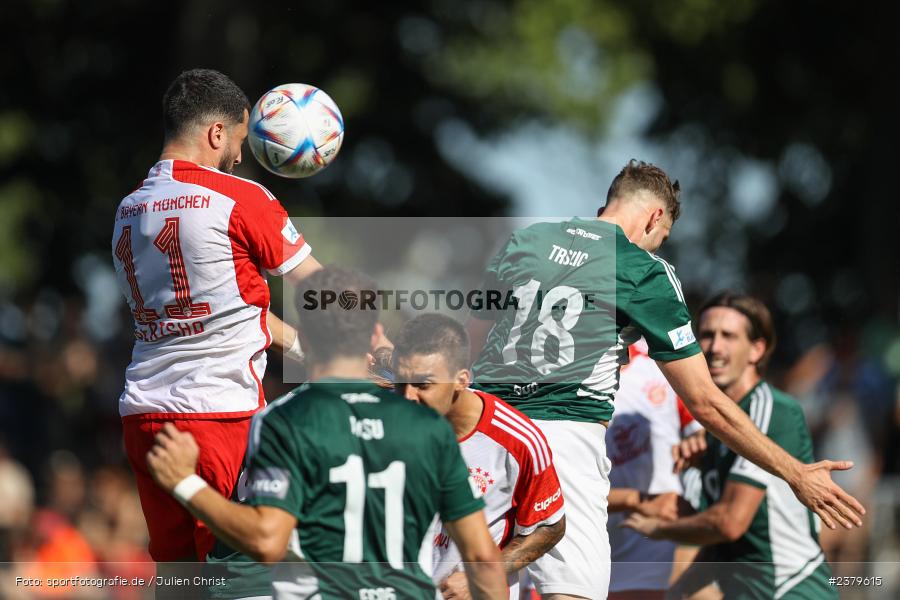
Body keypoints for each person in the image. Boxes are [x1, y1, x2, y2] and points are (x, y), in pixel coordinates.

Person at [466, 160, 863, 599]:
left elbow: (475, 336)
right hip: (565, 438)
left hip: (488, 430)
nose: (659, 247)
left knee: (473, 581)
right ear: (656, 217)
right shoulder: (643, 270)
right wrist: (796, 473)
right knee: (569, 591)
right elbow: (705, 402)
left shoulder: (527, 240)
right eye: (663, 238)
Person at [145, 266, 507, 599]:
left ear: (305, 336)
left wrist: (184, 482)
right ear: (372, 335)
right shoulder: (427, 425)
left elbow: (266, 539)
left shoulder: (286, 419)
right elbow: (484, 560)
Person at [111, 68, 323, 564]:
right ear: (215, 133)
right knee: (240, 572)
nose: (241, 156)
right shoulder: (241, 197)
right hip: (216, 415)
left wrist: (302, 350)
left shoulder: (129, 210)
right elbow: (325, 289)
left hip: (142, 414)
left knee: (177, 573)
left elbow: (227, 312)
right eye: (240, 141)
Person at [624, 292, 838, 599]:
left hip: (791, 591)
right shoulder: (716, 431)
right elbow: (722, 545)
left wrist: (658, 527)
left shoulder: (770, 409)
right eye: (707, 335)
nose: (714, 348)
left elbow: (729, 523)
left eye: (729, 336)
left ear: (757, 349)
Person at [392, 314, 566, 599]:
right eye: (401, 382)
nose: (408, 396)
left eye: (423, 385)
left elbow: (550, 526)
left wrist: (480, 575)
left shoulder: (517, 440)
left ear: (462, 380)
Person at [605, 339, 704, 600]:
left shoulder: (661, 361)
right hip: (579, 544)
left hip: (650, 545)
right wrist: (636, 500)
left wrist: (699, 443)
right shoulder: (557, 379)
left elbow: (703, 428)